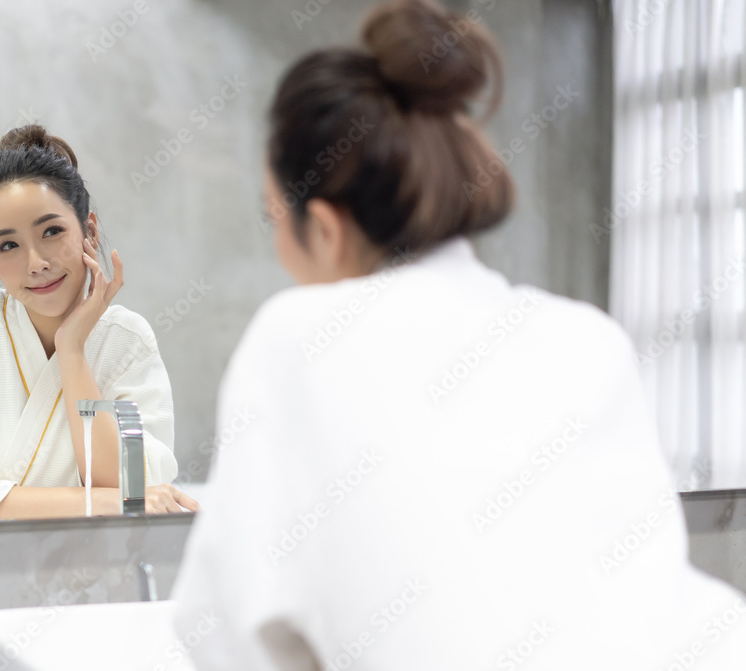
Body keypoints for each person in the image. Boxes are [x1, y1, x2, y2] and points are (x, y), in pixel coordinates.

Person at [171, 1, 746, 668]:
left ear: (323, 228)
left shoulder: (296, 340)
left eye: (274, 218)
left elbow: (228, 637)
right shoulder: (587, 338)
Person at [0, 125, 198, 521]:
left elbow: (133, 486)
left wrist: (72, 350)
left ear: (89, 229)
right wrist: (100, 503)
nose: (36, 262)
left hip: (93, 576)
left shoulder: (126, 340)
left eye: (52, 231)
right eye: (9, 245)